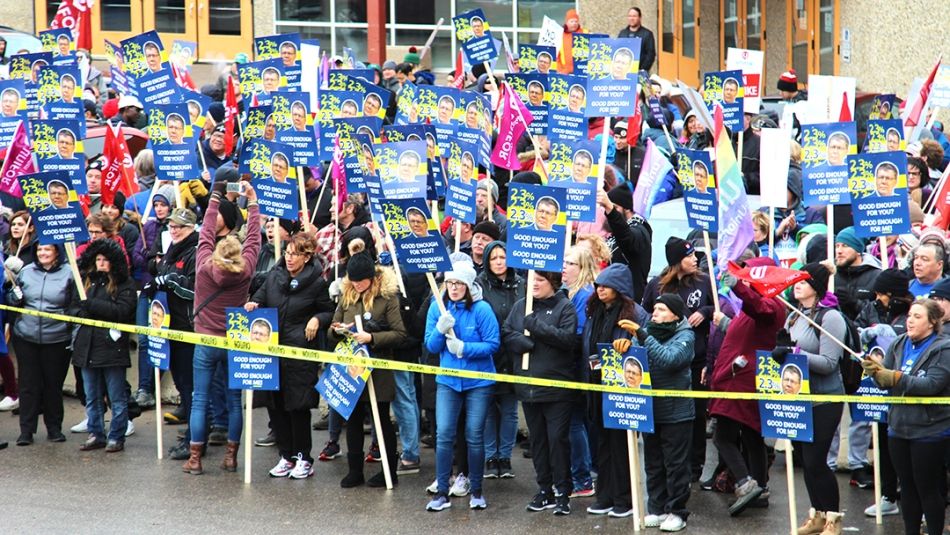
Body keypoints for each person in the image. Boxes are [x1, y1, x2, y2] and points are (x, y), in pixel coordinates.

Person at [182, 180, 261, 476]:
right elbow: (254, 237)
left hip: (205, 340)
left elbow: (205, 233)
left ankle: (195, 459)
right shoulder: (247, 268)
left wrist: (215, 197)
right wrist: (252, 202)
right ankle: (230, 457)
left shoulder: (204, 265)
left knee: (200, 400)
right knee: (233, 400)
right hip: (234, 340)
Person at [247, 233, 334, 480]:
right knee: (276, 406)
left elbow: (329, 310)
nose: (289, 258)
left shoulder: (317, 282)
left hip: (299, 353)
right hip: (271, 350)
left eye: (295, 254)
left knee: (298, 406)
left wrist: (316, 320)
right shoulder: (275, 276)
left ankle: (303, 458)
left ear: (307, 257)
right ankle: (286, 455)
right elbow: (260, 297)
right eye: (287, 253)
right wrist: (253, 304)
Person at [861, 299, 950, 535]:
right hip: (898, 427)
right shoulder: (899, 343)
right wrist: (876, 373)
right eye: (910, 315)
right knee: (907, 488)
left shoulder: (944, 348)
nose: (910, 320)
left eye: (917, 316)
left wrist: (895, 377)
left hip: (929, 429)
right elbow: (884, 382)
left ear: (932, 322)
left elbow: (932, 384)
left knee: (927, 488)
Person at [772, 262, 846, 534]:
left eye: (803, 281)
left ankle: (833, 519)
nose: (796, 285)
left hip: (825, 398)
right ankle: (817, 514)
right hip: (800, 397)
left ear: (815, 286)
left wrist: (794, 352)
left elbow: (829, 362)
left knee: (817, 461)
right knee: (806, 461)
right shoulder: (794, 315)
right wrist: (781, 350)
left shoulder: (831, 318)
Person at [709, 257, 786, 514]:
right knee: (752, 436)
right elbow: (749, 332)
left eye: (750, 272)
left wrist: (738, 287)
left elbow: (760, 310)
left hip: (740, 380)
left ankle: (745, 482)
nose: (745, 276)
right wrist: (725, 324)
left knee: (723, 437)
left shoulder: (770, 305)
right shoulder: (753, 307)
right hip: (737, 377)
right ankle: (760, 488)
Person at [424, 259, 500, 511]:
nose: (453, 288)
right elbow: (431, 346)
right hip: (447, 381)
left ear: (469, 285)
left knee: (474, 435)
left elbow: (493, 344)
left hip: (478, 381)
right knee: (444, 434)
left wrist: (464, 348)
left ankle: (476, 490)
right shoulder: (438, 306)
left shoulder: (482, 309)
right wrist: (439, 330)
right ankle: (442, 493)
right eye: (449, 283)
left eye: (459, 283)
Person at [328, 252, 407, 488]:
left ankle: (388, 471)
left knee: (381, 419)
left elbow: (400, 334)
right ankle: (354, 470)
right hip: (351, 366)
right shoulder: (348, 294)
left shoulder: (387, 296)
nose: (357, 285)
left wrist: (371, 337)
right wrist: (338, 330)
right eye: (353, 281)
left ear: (372, 279)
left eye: (361, 281)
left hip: (378, 366)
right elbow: (333, 326)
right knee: (350, 418)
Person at [503, 270, 578, 515]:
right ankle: (544, 489)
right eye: (532, 279)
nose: (534, 284)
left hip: (556, 388)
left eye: (540, 280)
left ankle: (563, 491)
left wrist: (536, 327)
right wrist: (521, 342)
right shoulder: (521, 306)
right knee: (538, 442)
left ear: (552, 283)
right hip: (528, 387)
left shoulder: (564, 307)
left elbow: (567, 339)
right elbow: (507, 332)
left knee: (557, 440)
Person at [642, 237, 714, 483]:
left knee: (695, 416)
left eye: (695, 254)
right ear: (675, 261)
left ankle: (694, 467)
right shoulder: (656, 286)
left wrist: (704, 312)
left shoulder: (705, 282)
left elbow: (719, 308)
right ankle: (666, 466)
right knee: (666, 417)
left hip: (697, 358)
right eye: (689, 255)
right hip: (661, 362)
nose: (695, 259)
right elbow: (645, 317)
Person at [582, 263, 650, 518]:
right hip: (597, 386)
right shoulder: (595, 312)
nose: (600, 290)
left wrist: (630, 342)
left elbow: (645, 343)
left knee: (622, 446)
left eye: (607, 286)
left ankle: (625, 499)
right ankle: (605, 496)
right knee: (602, 446)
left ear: (619, 288)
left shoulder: (636, 314)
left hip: (624, 390)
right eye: (598, 285)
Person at [622, 293, 694, 532]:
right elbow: (636, 361)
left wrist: (642, 335)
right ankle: (657, 508)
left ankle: (677, 512)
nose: (655, 313)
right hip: (649, 409)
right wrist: (624, 348)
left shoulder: (685, 336)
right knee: (653, 463)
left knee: (675, 465)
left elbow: (669, 359)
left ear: (675, 314)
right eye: (655, 309)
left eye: (662, 310)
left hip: (677, 412)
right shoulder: (647, 332)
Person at [71, 239, 137, 453]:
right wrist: (82, 311)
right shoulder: (85, 282)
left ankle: (116, 436)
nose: (100, 263)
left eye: (105, 260)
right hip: (87, 346)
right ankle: (96, 433)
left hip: (111, 347)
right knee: (92, 396)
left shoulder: (124, 284)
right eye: (97, 259)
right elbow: (73, 308)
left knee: (116, 397)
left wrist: (91, 306)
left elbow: (122, 311)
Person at [7, 243, 74, 446]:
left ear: (57, 252)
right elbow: (12, 298)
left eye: (47, 250)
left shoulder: (70, 273)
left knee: (53, 385)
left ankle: (54, 429)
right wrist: (14, 297)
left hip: (57, 337)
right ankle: (26, 431)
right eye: (39, 250)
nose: (42, 253)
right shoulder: (26, 272)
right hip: (26, 336)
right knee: (28, 385)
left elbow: (74, 304)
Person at [477, 241, 525, 480]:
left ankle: (504, 456)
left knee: (509, 410)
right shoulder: (479, 285)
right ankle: (490, 456)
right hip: (487, 355)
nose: (498, 261)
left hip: (514, 355)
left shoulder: (521, 284)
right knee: (487, 410)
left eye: (502, 257)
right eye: (493, 257)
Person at [617, 7, 656, 72]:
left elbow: (650, 55)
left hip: (640, 71)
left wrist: (642, 70)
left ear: (640, 18)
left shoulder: (647, 34)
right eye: (629, 16)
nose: (631, 18)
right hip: (623, 71)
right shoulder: (622, 33)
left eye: (634, 16)